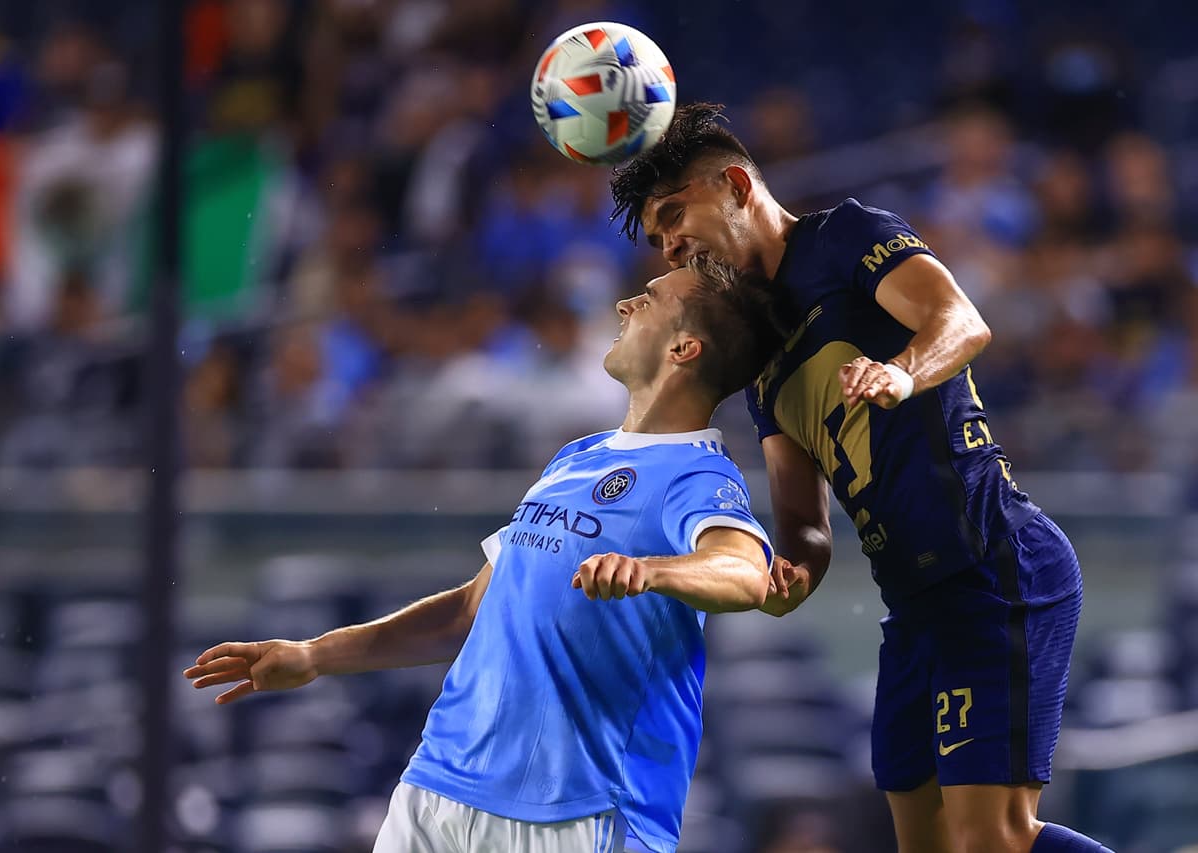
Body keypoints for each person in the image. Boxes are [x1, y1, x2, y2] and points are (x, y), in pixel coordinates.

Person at [609, 103, 1111, 853]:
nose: (670, 244)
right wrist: (793, 572)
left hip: (992, 566)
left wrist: (899, 373)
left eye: (675, 214)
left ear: (739, 186)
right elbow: (806, 524)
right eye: (656, 237)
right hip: (912, 608)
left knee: (993, 840)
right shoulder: (762, 361)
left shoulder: (846, 236)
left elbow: (961, 320)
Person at [185, 255, 784, 853]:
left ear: (683, 349)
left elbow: (746, 571)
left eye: (650, 299)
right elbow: (469, 611)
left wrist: (651, 570)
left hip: (578, 810)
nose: (626, 304)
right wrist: (316, 655)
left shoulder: (697, 475)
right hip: (437, 788)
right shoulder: (575, 458)